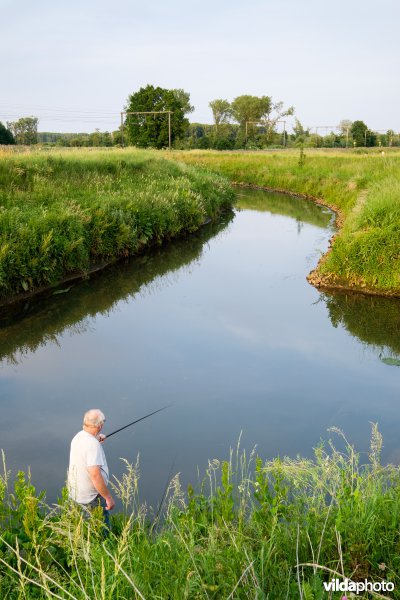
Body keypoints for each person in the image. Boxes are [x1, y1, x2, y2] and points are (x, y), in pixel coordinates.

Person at [68, 409, 115, 529]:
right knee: (101, 531)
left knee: (81, 528)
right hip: (91, 498)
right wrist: (108, 498)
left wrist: (96, 438)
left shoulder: (79, 437)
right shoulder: (92, 445)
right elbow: (95, 475)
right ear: (100, 425)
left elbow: (88, 446)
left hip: (76, 494)